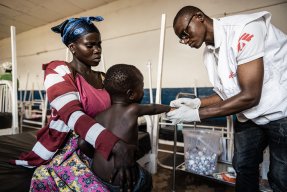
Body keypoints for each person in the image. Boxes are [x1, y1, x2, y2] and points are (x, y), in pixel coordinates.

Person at [167, 6, 287, 192]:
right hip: (249, 116)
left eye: (185, 32)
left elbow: (250, 95)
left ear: (199, 17)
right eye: (181, 38)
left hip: (280, 112)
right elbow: (227, 93)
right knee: (243, 165)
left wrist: (198, 114)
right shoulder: (208, 55)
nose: (185, 40)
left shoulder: (244, 30)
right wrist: (198, 102)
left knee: (281, 175)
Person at [10, 16, 137, 191]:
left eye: (99, 44)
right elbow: (72, 115)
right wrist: (114, 144)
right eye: (90, 45)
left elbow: (120, 108)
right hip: (70, 144)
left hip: (99, 139)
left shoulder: (104, 78)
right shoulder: (57, 70)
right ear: (73, 48)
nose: (98, 50)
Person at [79, 64, 171, 191]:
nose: (143, 91)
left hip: (98, 176)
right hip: (124, 182)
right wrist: (170, 108)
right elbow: (153, 108)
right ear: (131, 94)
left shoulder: (99, 116)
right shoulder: (132, 109)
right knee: (146, 178)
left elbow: (82, 143)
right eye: (142, 87)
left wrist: (97, 155)